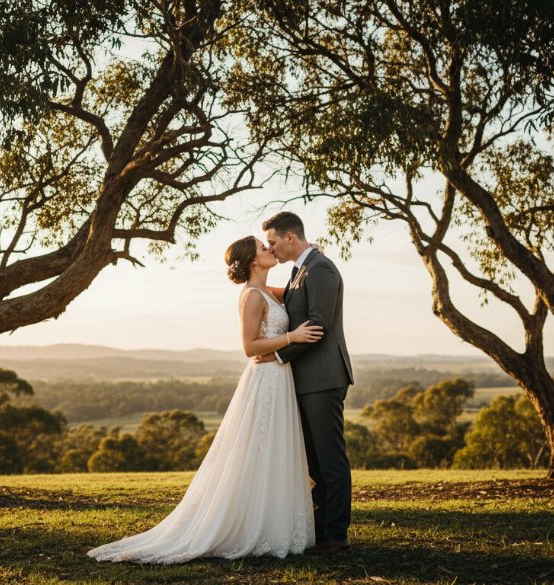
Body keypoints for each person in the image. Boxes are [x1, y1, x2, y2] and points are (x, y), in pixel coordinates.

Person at [87, 236, 322, 564]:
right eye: (263, 247)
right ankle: (246, 524)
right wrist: (292, 337)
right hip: (265, 381)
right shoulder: (252, 296)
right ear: (254, 261)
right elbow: (250, 347)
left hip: (279, 378)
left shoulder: (269, 291)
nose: (270, 249)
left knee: (273, 451)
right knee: (256, 451)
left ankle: (272, 521)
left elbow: (297, 292)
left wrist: (311, 257)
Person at [259, 211, 354, 555]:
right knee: (314, 460)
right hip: (307, 379)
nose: (272, 249)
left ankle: (336, 534)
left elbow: (317, 326)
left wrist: (277, 355)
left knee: (329, 458)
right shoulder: (302, 270)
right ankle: (321, 525)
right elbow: (291, 299)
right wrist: (252, 286)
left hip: (323, 378)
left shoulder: (321, 268)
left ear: (290, 237)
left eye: (273, 242)